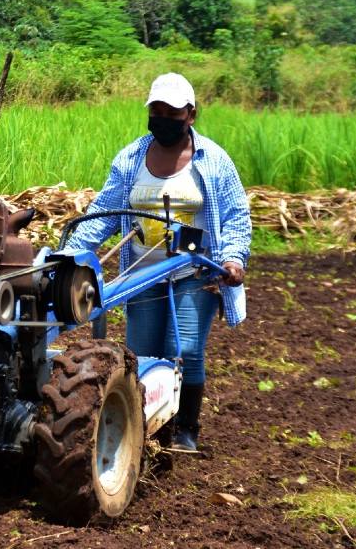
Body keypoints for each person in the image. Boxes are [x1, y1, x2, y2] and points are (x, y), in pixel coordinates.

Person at [67, 72, 251, 452]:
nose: (163, 118)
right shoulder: (132, 157)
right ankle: (147, 427)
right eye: (157, 111)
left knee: (182, 348)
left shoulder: (212, 160)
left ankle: (186, 429)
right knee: (141, 352)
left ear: (191, 115)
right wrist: (71, 255)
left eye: (172, 112)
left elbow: (235, 215)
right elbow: (105, 212)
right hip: (142, 271)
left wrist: (233, 257)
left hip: (195, 271)